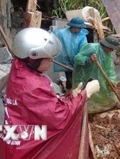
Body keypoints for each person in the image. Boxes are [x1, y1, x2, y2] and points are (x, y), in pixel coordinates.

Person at [0, 28, 100, 158]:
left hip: (18, 137)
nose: (51, 61)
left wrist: (70, 97)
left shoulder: (19, 70)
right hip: (28, 147)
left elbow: (41, 107)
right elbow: (59, 116)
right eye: (47, 58)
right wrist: (86, 93)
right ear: (33, 58)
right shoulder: (32, 85)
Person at [73, 35, 120, 114]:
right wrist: (88, 59)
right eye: (110, 48)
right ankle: (83, 110)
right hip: (85, 75)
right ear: (106, 45)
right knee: (85, 92)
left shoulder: (108, 54)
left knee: (105, 91)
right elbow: (77, 58)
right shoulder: (92, 48)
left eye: (112, 49)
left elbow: (110, 69)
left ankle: (104, 107)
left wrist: (112, 81)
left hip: (99, 77)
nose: (111, 50)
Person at [53, 17, 88, 93]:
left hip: (78, 61)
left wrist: (83, 59)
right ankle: (68, 96)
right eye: (78, 28)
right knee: (69, 80)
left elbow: (84, 48)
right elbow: (54, 41)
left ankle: (77, 97)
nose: (79, 30)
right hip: (66, 61)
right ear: (73, 26)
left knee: (79, 81)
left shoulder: (82, 35)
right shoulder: (61, 33)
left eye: (80, 28)